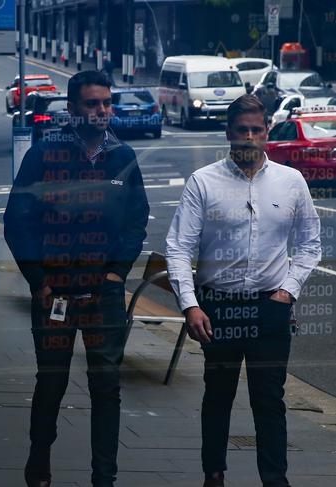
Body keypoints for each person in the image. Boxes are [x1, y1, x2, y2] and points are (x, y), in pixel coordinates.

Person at [165, 94, 322, 487]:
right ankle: (213, 474)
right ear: (229, 133)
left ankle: (275, 480)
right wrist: (190, 306)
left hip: (269, 306)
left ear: (267, 132)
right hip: (216, 308)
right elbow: (179, 247)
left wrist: (287, 292)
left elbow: (310, 244)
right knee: (217, 396)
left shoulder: (291, 182)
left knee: (270, 401)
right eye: (242, 131)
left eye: (256, 130)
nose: (249, 138)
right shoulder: (204, 182)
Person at [4, 70, 150, 487]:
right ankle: (39, 464)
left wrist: (115, 274)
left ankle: (104, 478)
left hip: (103, 294)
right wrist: (39, 281)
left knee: (107, 386)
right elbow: (18, 221)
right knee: (51, 380)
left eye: (106, 103)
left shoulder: (122, 156)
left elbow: (136, 221)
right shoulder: (43, 156)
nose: (102, 111)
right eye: (92, 104)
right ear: (72, 110)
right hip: (55, 294)